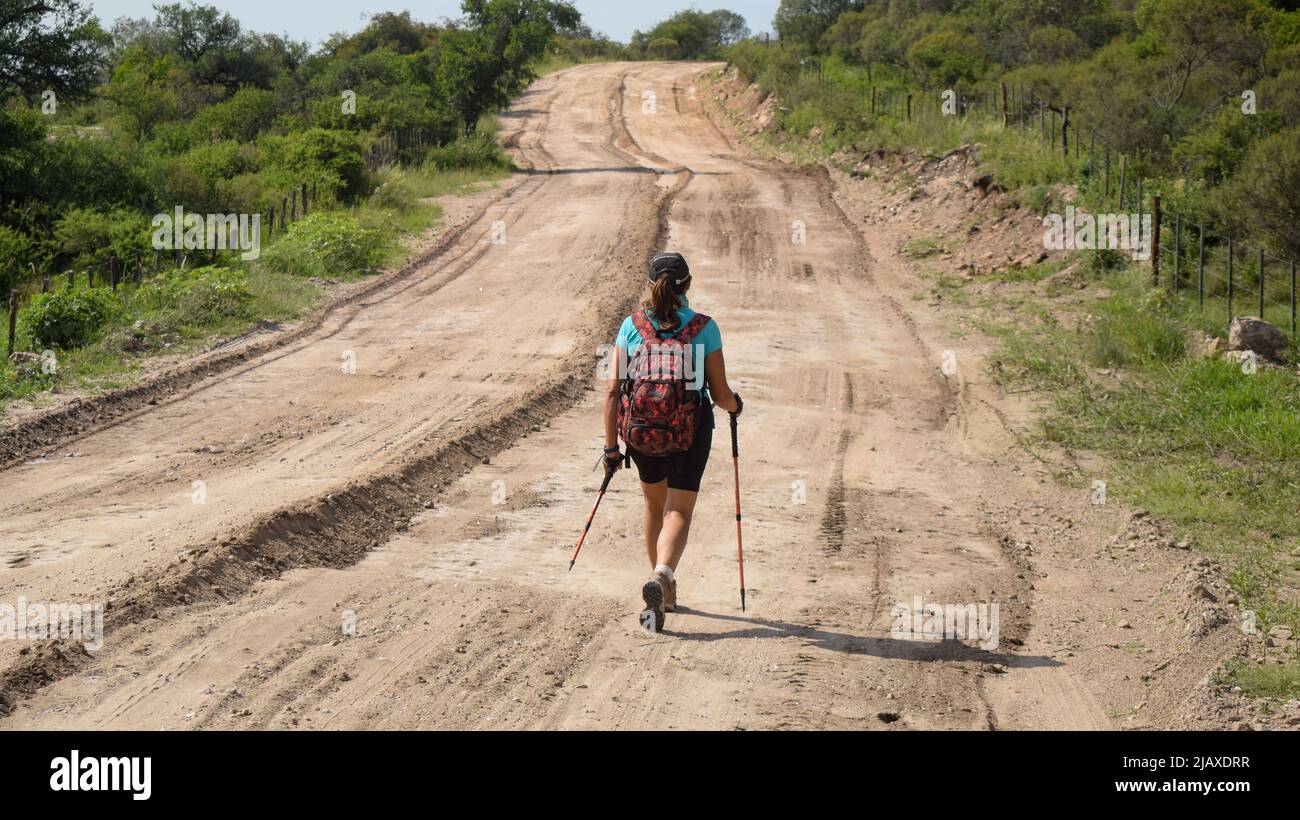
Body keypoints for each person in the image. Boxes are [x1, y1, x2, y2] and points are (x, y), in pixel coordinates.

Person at [602, 252, 742, 629]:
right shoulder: (704, 327)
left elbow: (614, 391)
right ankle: (663, 576)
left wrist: (610, 449)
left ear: (650, 284)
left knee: (653, 507)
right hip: (689, 430)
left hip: (641, 432)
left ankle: (659, 582)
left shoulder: (630, 326)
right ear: (688, 285)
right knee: (677, 511)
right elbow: (720, 392)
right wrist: (736, 407)